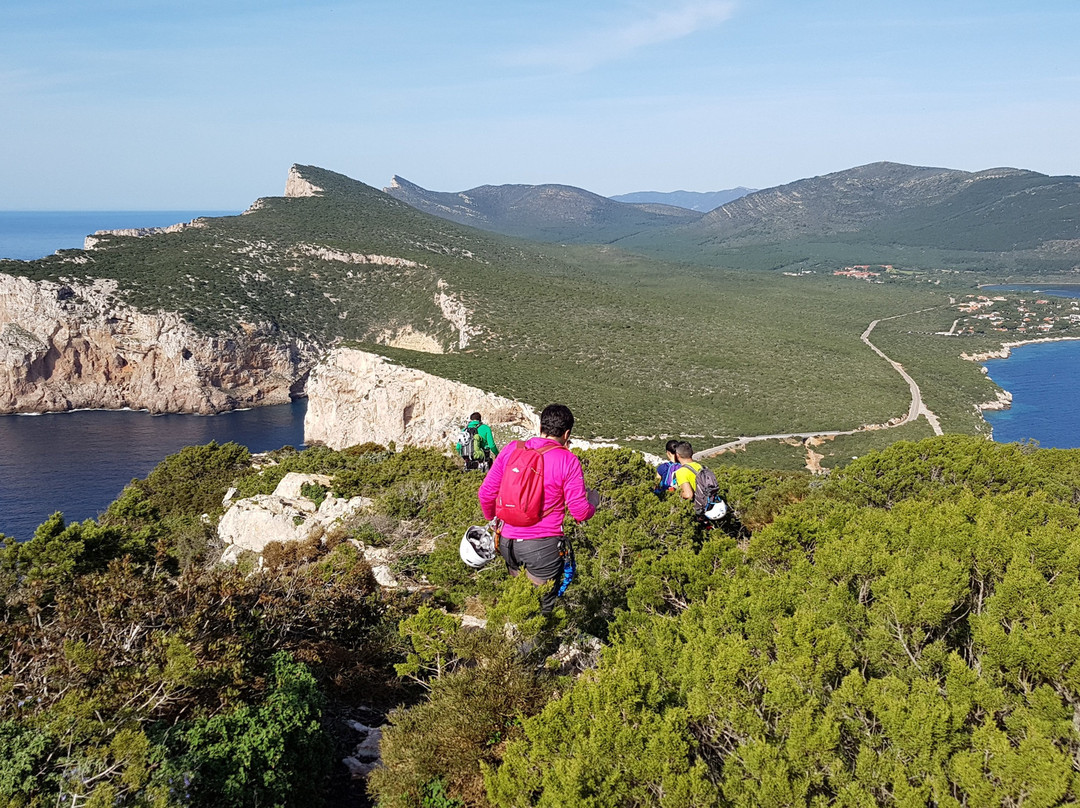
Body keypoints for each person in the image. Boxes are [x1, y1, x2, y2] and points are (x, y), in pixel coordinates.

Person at [477, 403, 599, 614]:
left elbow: (485, 493)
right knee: (541, 608)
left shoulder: (513, 449)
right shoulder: (568, 460)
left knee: (520, 601)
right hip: (542, 547)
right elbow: (579, 512)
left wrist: (494, 520)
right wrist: (593, 504)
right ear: (567, 433)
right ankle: (535, 645)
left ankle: (509, 641)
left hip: (507, 543)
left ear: (540, 426)